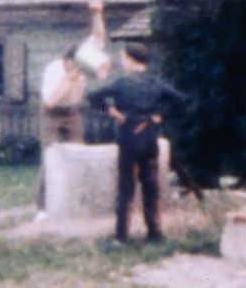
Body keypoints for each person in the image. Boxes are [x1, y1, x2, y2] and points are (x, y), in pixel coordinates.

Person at [87, 43, 185, 243]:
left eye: (123, 58)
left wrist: (112, 112)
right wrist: (159, 116)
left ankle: (122, 235)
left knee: (126, 186)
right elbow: (180, 100)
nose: (122, 62)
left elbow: (93, 98)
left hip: (129, 136)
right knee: (150, 184)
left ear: (130, 59)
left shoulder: (121, 83)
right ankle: (154, 233)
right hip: (150, 136)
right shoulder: (156, 83)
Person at [35, 45, 93, 214]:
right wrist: (68, 81)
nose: (77, 69)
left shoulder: (81, 73)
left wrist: (78, 83)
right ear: (67, 60)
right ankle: (42, 208)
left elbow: (76, 100)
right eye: (74, 65)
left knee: (78, 153)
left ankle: (76, 201)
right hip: (51, 113)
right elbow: (50, 101)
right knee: (50, 156)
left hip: (71, 112)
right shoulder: (53, 70)